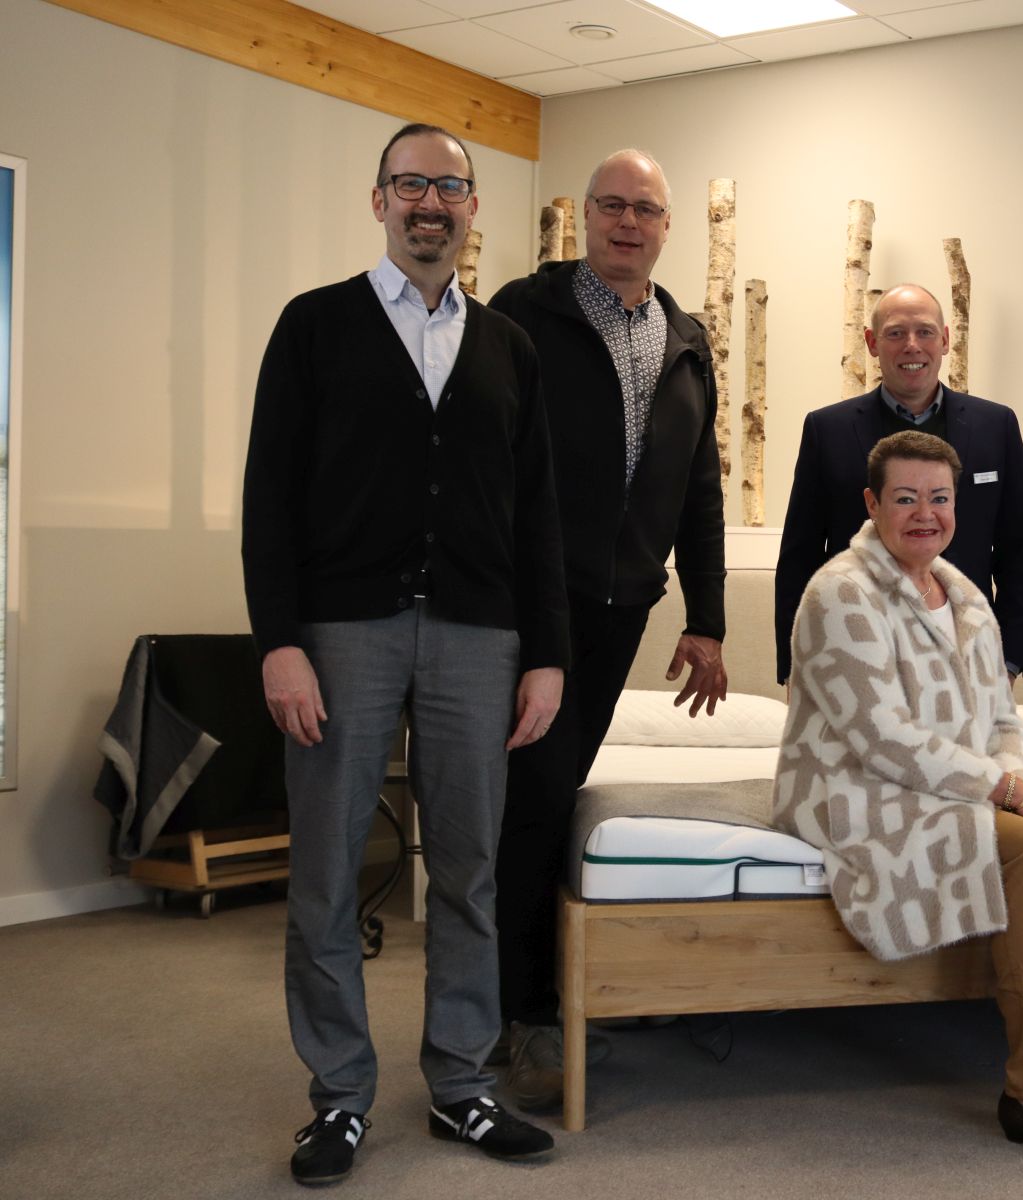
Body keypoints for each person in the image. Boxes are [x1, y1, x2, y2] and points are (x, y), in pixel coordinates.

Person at [242, 123, 567, 1184]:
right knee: (328, 872)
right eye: (412, 184)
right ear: (378, 199)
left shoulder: (508, 347)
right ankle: (339, 1098)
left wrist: (547, 654)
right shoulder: (315, 326)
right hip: (343, 634)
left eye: (451, 187)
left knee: (469, 870)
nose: (432, 203)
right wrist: (280, 644)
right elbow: (268, 499)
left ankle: (461, 1086)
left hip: (481, 635)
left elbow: (538, 515)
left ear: (473, 209)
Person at [775, 431, 1023, 1163]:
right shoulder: (840, 591)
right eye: (905, 498)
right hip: (857, 787)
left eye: (939, 498)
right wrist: (1009, 792)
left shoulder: (967, 596)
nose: (925, 514)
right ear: (872, 503)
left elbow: (1002, 721)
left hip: (949, 782)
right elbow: (881, 736)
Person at [485, 148, 729, 1107]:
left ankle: (545, 990)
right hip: (529, 605)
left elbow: (700, 490)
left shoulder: (686, 338)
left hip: (624, 606)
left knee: (554, 794)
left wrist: (707, 619)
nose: (629, 223)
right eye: (613, 206)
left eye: (647, 210)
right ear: (585, 215)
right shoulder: (524, 310)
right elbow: (485, 455)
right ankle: (523, 1014)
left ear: (668, 227)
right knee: (534, 796)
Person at [774, 284, 1023, 686]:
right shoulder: (827, 430)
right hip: (854, 656)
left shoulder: (996, 426)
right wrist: (796, 670)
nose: (912, 345)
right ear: (872, 343)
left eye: (925, 332)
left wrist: (1009, 662)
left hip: (967, 658)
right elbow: (799, 558)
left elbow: (1019, 554)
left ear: (945, 340)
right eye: (896, 333)